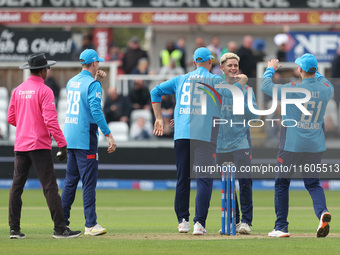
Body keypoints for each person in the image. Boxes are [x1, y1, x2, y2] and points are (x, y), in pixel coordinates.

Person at [150, 47, 246, 235]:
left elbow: (155, 91)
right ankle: (199, 223)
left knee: (182, 179)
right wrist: (242, 80)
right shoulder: (215, 79)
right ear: (210, 63)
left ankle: (182, 221)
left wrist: (159, 118)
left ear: (194, 62)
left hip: (182, 134)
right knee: (204, 179)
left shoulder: (181, 79)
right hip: (205, 135)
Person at [7, 53, 81, 239]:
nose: (48, 70)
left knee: (16, 187)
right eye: (47, 68)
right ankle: (60, 228)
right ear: (42, 70)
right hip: (39, 144)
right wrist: (62, 145)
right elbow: (50, 120)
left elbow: (10, 118)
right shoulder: (45, 90)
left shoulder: (17, 90)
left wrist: (26, 125)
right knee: (49, 187)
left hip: (21, 144)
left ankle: (14, 229)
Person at [261, 54, 334, 238]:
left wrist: (270, 68)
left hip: (292, 145)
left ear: (300, 70)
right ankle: (322, 212)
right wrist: (314, 72)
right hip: (315, 145)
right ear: (315, 70)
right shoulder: (326, 89)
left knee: (282, 183)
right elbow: (321, 79)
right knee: (313, 184)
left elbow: (265, 86)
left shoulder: (292, 87)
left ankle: (281, 227)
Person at [61, 49, 117, 236]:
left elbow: (84, 92)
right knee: (88, 182)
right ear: (94, 63)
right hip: (86, 135)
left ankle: (61, 223)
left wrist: (95, 78)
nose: (99, 65)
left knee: (70, 182)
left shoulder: (72, 82)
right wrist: (108, 134)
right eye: (98, 63)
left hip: (71, 135)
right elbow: (95, 110)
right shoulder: (93, 85)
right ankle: (90, 224)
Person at [216, 53, 257, 235]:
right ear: (222, 68)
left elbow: (254, 115)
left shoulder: (247, 89)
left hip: (241, 141)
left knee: (245, 182)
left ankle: (246, 222)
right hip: (220, 144)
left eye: (235, 66)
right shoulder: (216, 88)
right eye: (229, 65)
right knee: (227, 185)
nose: (233, 68)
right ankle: (232, 222)